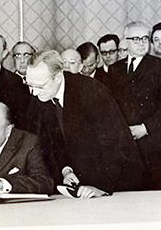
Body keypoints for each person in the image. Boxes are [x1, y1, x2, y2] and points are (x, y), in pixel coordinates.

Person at [25, 50, 144, 198]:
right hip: (84, 182)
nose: (34, 92)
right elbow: (54, 142)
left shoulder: (91, 92)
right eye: (30, 84)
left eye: (40, 86)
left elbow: (116, 143)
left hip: (117, 182)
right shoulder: (43, 96)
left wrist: (100, 187)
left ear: (57, 77)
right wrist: (66, 170)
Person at [107, 21, 161, 189]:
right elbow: (109, 107)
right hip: (125, 146)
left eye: (145, 38)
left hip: (153, 144)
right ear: (126, 40)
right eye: (136, 38)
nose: (142, 42)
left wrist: (145, 128)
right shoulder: (115, 69)